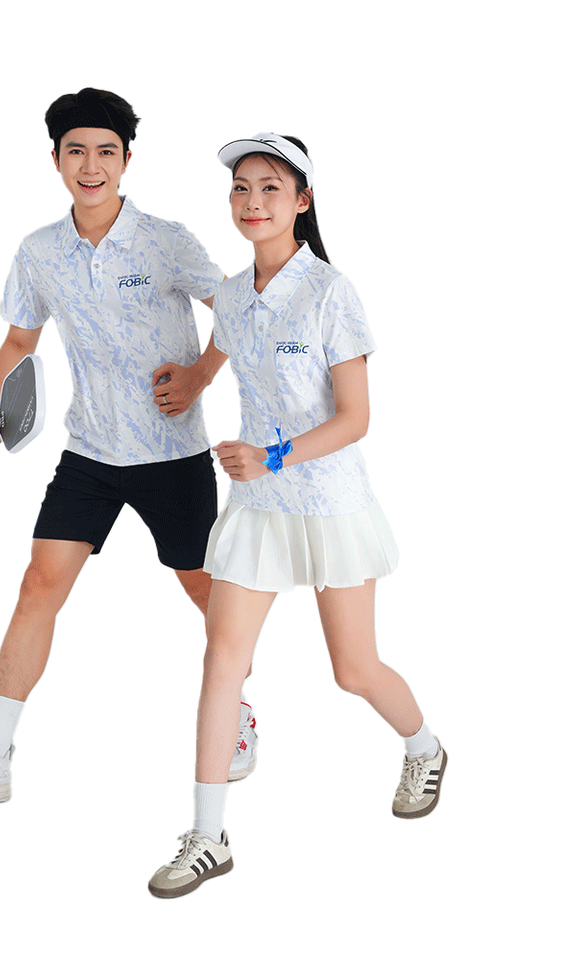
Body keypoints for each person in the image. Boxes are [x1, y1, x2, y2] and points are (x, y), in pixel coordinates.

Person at [0, 89, 260, 803]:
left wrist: (198, 376)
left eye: (105, 151)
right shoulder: (39, 251)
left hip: (172, 456)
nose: (91, 165)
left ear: (126, 160)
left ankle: (239, 715)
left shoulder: (164, 240)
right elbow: (20, 339)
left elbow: (237, 309)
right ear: (56, 160)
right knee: (38, 586)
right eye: (77, 151)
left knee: (206, 590)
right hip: (90, 456)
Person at [148, 133, 447, 899]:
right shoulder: (233, 293)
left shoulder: (331, 292)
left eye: (270, 188)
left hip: (327, 503)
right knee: (223, 659)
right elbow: (221, 351)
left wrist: (272, 455)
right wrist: (189, 380)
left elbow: (356, 418)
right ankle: (207, 837)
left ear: (302, 201)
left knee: (354, 670)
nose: (252, 202)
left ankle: (424, 747)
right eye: (241, 188)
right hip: (258, 507)